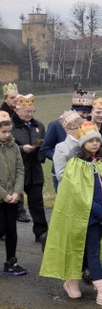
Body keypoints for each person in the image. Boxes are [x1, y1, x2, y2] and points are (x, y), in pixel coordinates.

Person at [40, 121, 102, 306]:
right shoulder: (76, 165)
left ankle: (71, 282)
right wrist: (100, 212)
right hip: (87, 218)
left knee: (87, 251)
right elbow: (78, 195)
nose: (95, 143)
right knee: (93, 252)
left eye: (97, 140)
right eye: (90, 140)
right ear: (82, 143)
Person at [10, 94, 48, 244]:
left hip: (35, 170)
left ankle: (42, 232)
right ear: (17, 110)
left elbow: (44, 146)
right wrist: (21, 148)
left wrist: (39, 150)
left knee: (37, 203)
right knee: (11, 205)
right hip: (16, 171)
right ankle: (6, 231)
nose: (29, 114)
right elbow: (7, 148)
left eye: (32, 111)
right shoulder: (10, 126)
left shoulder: (39, 125)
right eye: (26, 111)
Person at [41, 91, 94, 192]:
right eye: (83, 112)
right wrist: (62, 158)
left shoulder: (86, 124)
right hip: (62, 173)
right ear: (74, 110)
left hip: (84, 173)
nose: (85, 115)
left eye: (87, 113)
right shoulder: (56, 125)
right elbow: (45, 149)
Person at [0, 110, 26, 276]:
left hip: (12, 197)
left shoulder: (14, 147)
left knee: (11, 229)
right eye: (3, 132)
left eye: (9, 131)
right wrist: (3, 194)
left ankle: (11, 261)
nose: (7, 135)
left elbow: (20, 170)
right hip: (1, 196)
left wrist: (17, 192)